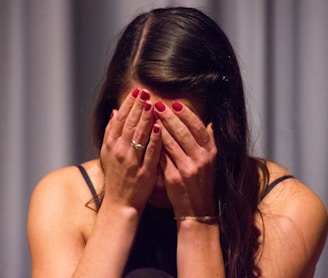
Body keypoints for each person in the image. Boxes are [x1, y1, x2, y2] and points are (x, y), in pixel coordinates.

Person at [27, 7, 328, 278]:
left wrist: (197, 218)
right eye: (141, 134)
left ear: (221, 128)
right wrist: (119, 208)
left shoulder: (289, 209)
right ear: (112, 120)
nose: (156, 159)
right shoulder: (63, 196)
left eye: (178, 138)